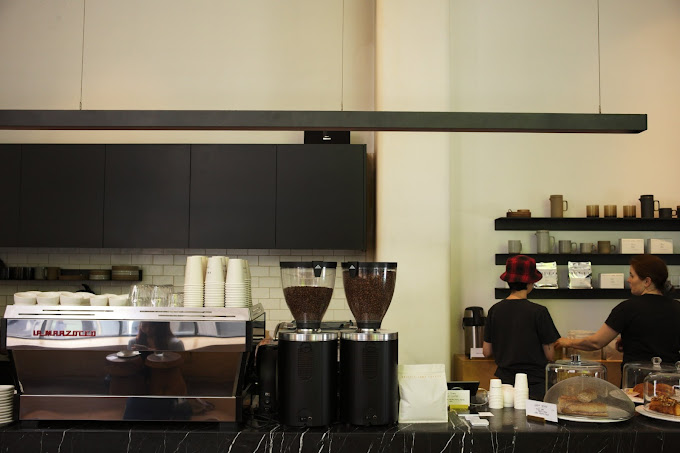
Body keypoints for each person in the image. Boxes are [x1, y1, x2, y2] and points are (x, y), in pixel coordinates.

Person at [555, 254, 680, 366]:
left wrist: (568, 342)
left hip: (636, 381)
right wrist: (628, 339)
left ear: (647, 281)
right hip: (671, 381)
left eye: (632, 275)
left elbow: (596, 342)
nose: (628, 280)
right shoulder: (676, 307)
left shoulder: (627, 308)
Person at [483, 254, 561, 401]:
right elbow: (550, 356)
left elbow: (486, 351)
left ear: (508, 281)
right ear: (530, 282)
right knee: (536, 423)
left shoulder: (494, 310)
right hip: (535, 384)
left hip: (504, 385)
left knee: (504, 421)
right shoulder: (539, 312)